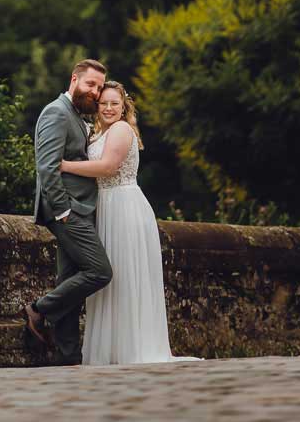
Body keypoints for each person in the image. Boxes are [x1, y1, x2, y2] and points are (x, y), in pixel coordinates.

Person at [61, 79, 190, 365]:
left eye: (114, 104)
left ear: (123, 107)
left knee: (124, 278)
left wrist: (64, 166)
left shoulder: (120, 130)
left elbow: (107, 167)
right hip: (106, 207)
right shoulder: (98, 133)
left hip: (124, 206)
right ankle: (113, 350)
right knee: (112, 281)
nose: (108, 108)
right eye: (103, 103)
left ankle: (131, 349)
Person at [23, 59, 113, 365]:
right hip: (67, 210)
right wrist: (63, 211)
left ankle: (68, 356)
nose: (96, 92)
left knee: (69, 278)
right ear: (74, 79)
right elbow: (47, 167)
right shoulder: (56, 112)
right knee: (100, 272)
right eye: (90, 84)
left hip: (79, 208)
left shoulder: (76, 115)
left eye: (99, 87)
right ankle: (39, 308)